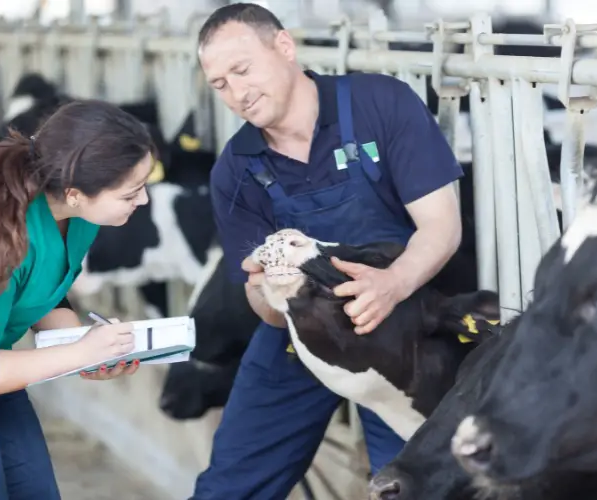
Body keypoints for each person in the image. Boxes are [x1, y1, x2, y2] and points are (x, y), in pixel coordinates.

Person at [193, 3, 464, 498]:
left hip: (400, 331)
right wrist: (271, 292)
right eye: (220, 85)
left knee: (411, 486)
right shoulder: (234, 170)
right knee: (229, 485)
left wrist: (392, 284)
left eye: (242, 69)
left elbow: (442, 227)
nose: (237, 93)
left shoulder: (380, 104)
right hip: (300, 339)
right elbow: (261, 304)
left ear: (284, 47)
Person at [0, 99, 157, 499]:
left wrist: (85, 347)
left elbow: (43, 292)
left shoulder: (77, 216)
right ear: (76, 192)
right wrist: (78, 355)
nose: (144, 200)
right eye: (132, 192)